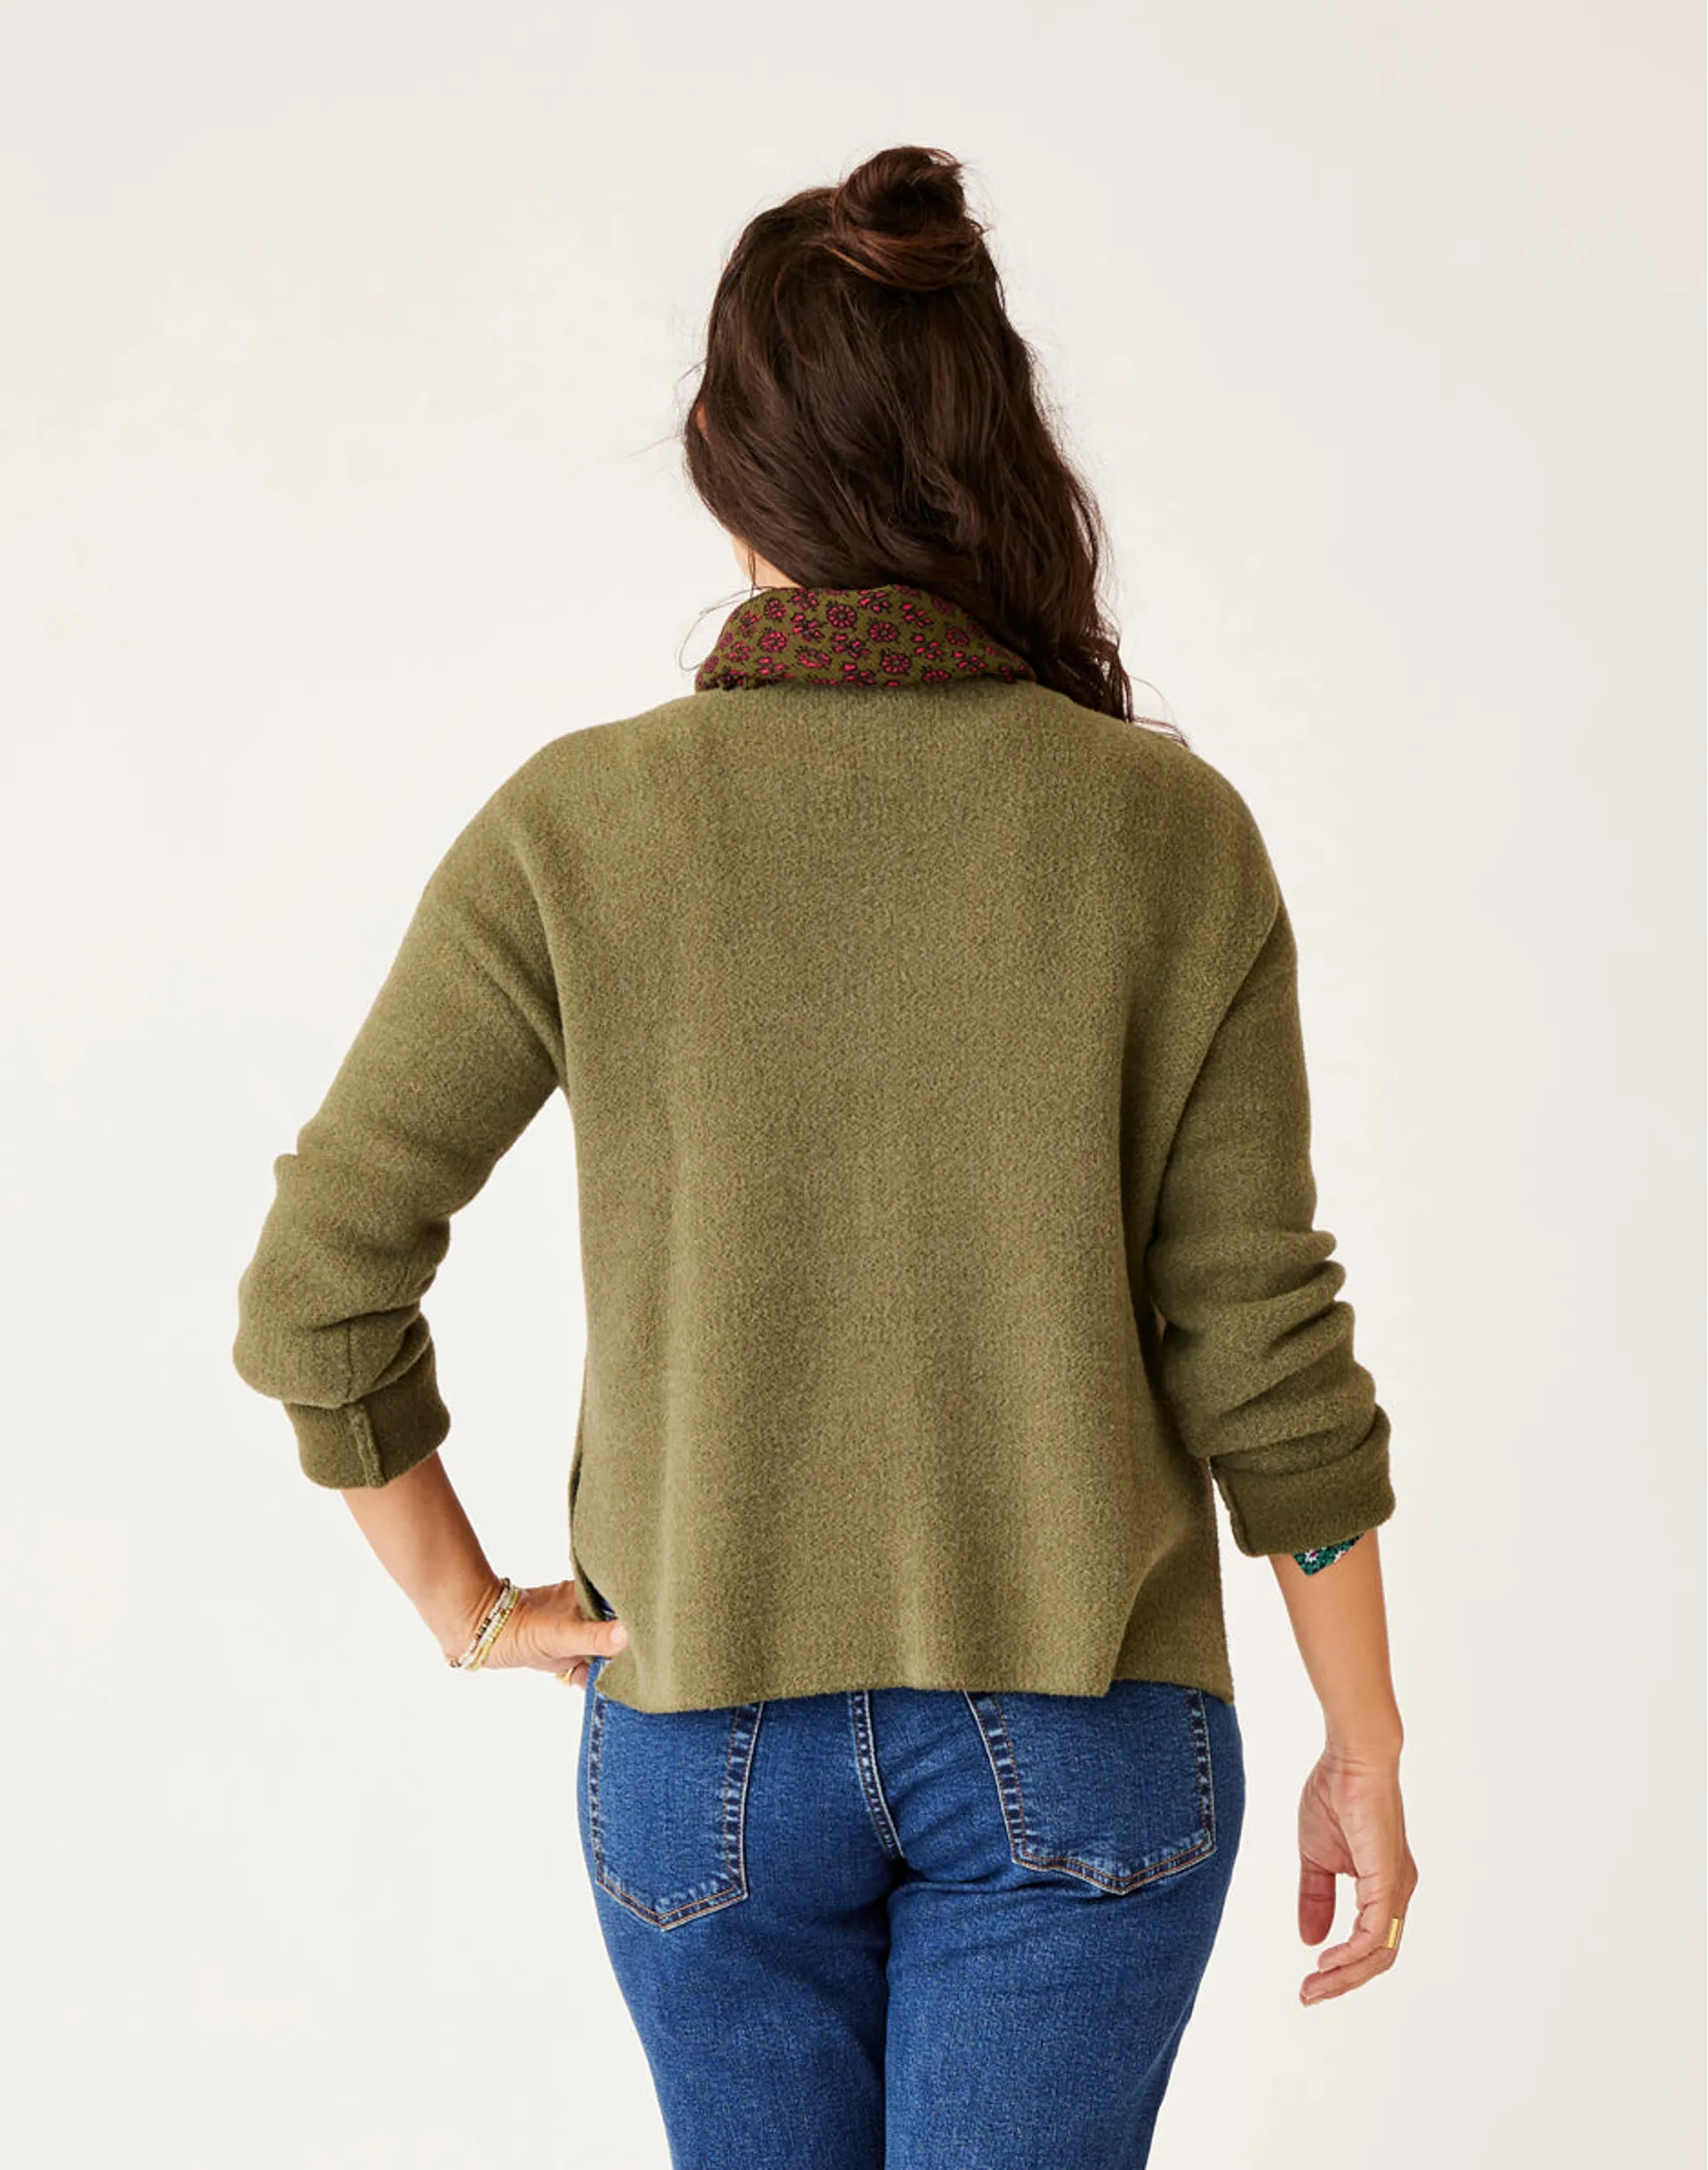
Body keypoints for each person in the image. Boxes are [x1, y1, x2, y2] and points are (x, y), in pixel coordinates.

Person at [233, 142, 1418, 2166]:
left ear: (725, 459)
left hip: (698, 1745)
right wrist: (1363, 1740)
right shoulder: (1166, 833)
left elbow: (316, 1290)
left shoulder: (576, 828)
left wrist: (469, 1604)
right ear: (992, 449)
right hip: (1085, 1732)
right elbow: (1265, 1346)